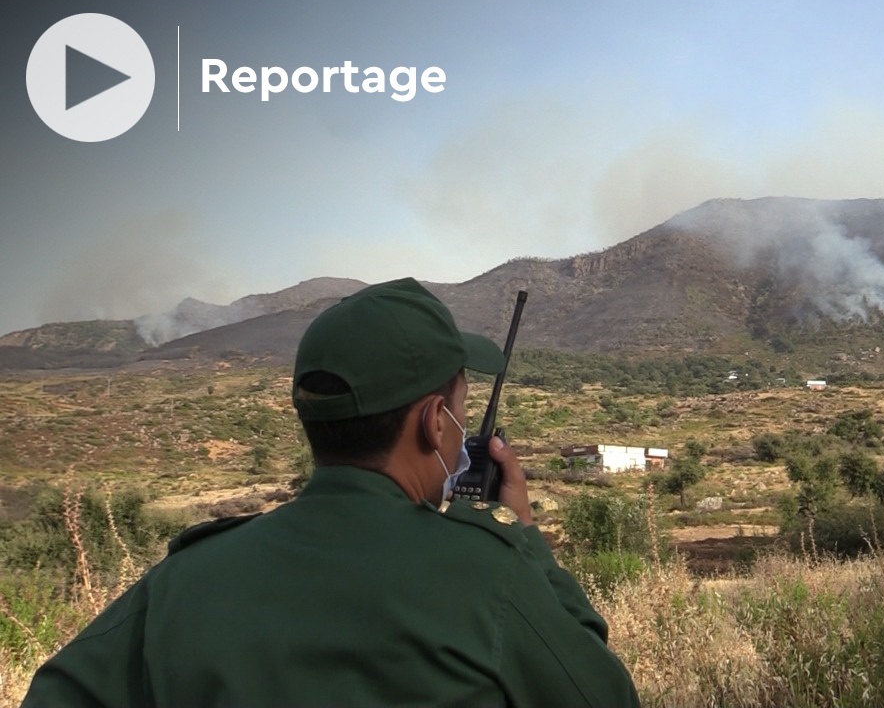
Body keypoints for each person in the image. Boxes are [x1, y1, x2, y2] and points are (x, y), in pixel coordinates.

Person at [23, 277, 641, 707]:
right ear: (434, 423)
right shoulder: (491, 576)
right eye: (460, 407)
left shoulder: (179, 581)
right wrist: (524, 536)